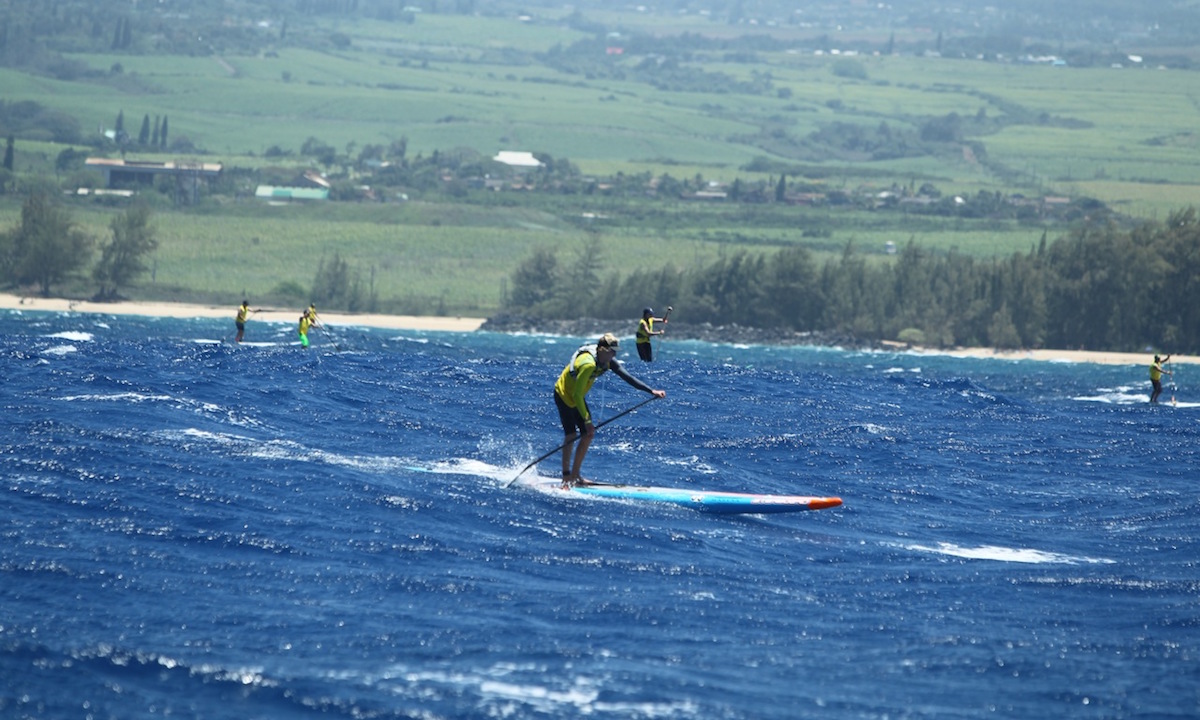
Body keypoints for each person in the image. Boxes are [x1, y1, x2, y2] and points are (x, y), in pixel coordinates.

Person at [554, 333, 666, 487]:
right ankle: (566, 477)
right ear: (601, 349)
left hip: (577, 397)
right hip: (564, 395)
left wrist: (651, 391)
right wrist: (587, 420)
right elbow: (576, 394)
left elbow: (628, 378)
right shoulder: (588, 364)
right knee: (571, 434)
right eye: (611, 351)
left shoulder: (608, 361)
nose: (614, 354)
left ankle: (576, 475)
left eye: (615, 352)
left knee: (588, 434)